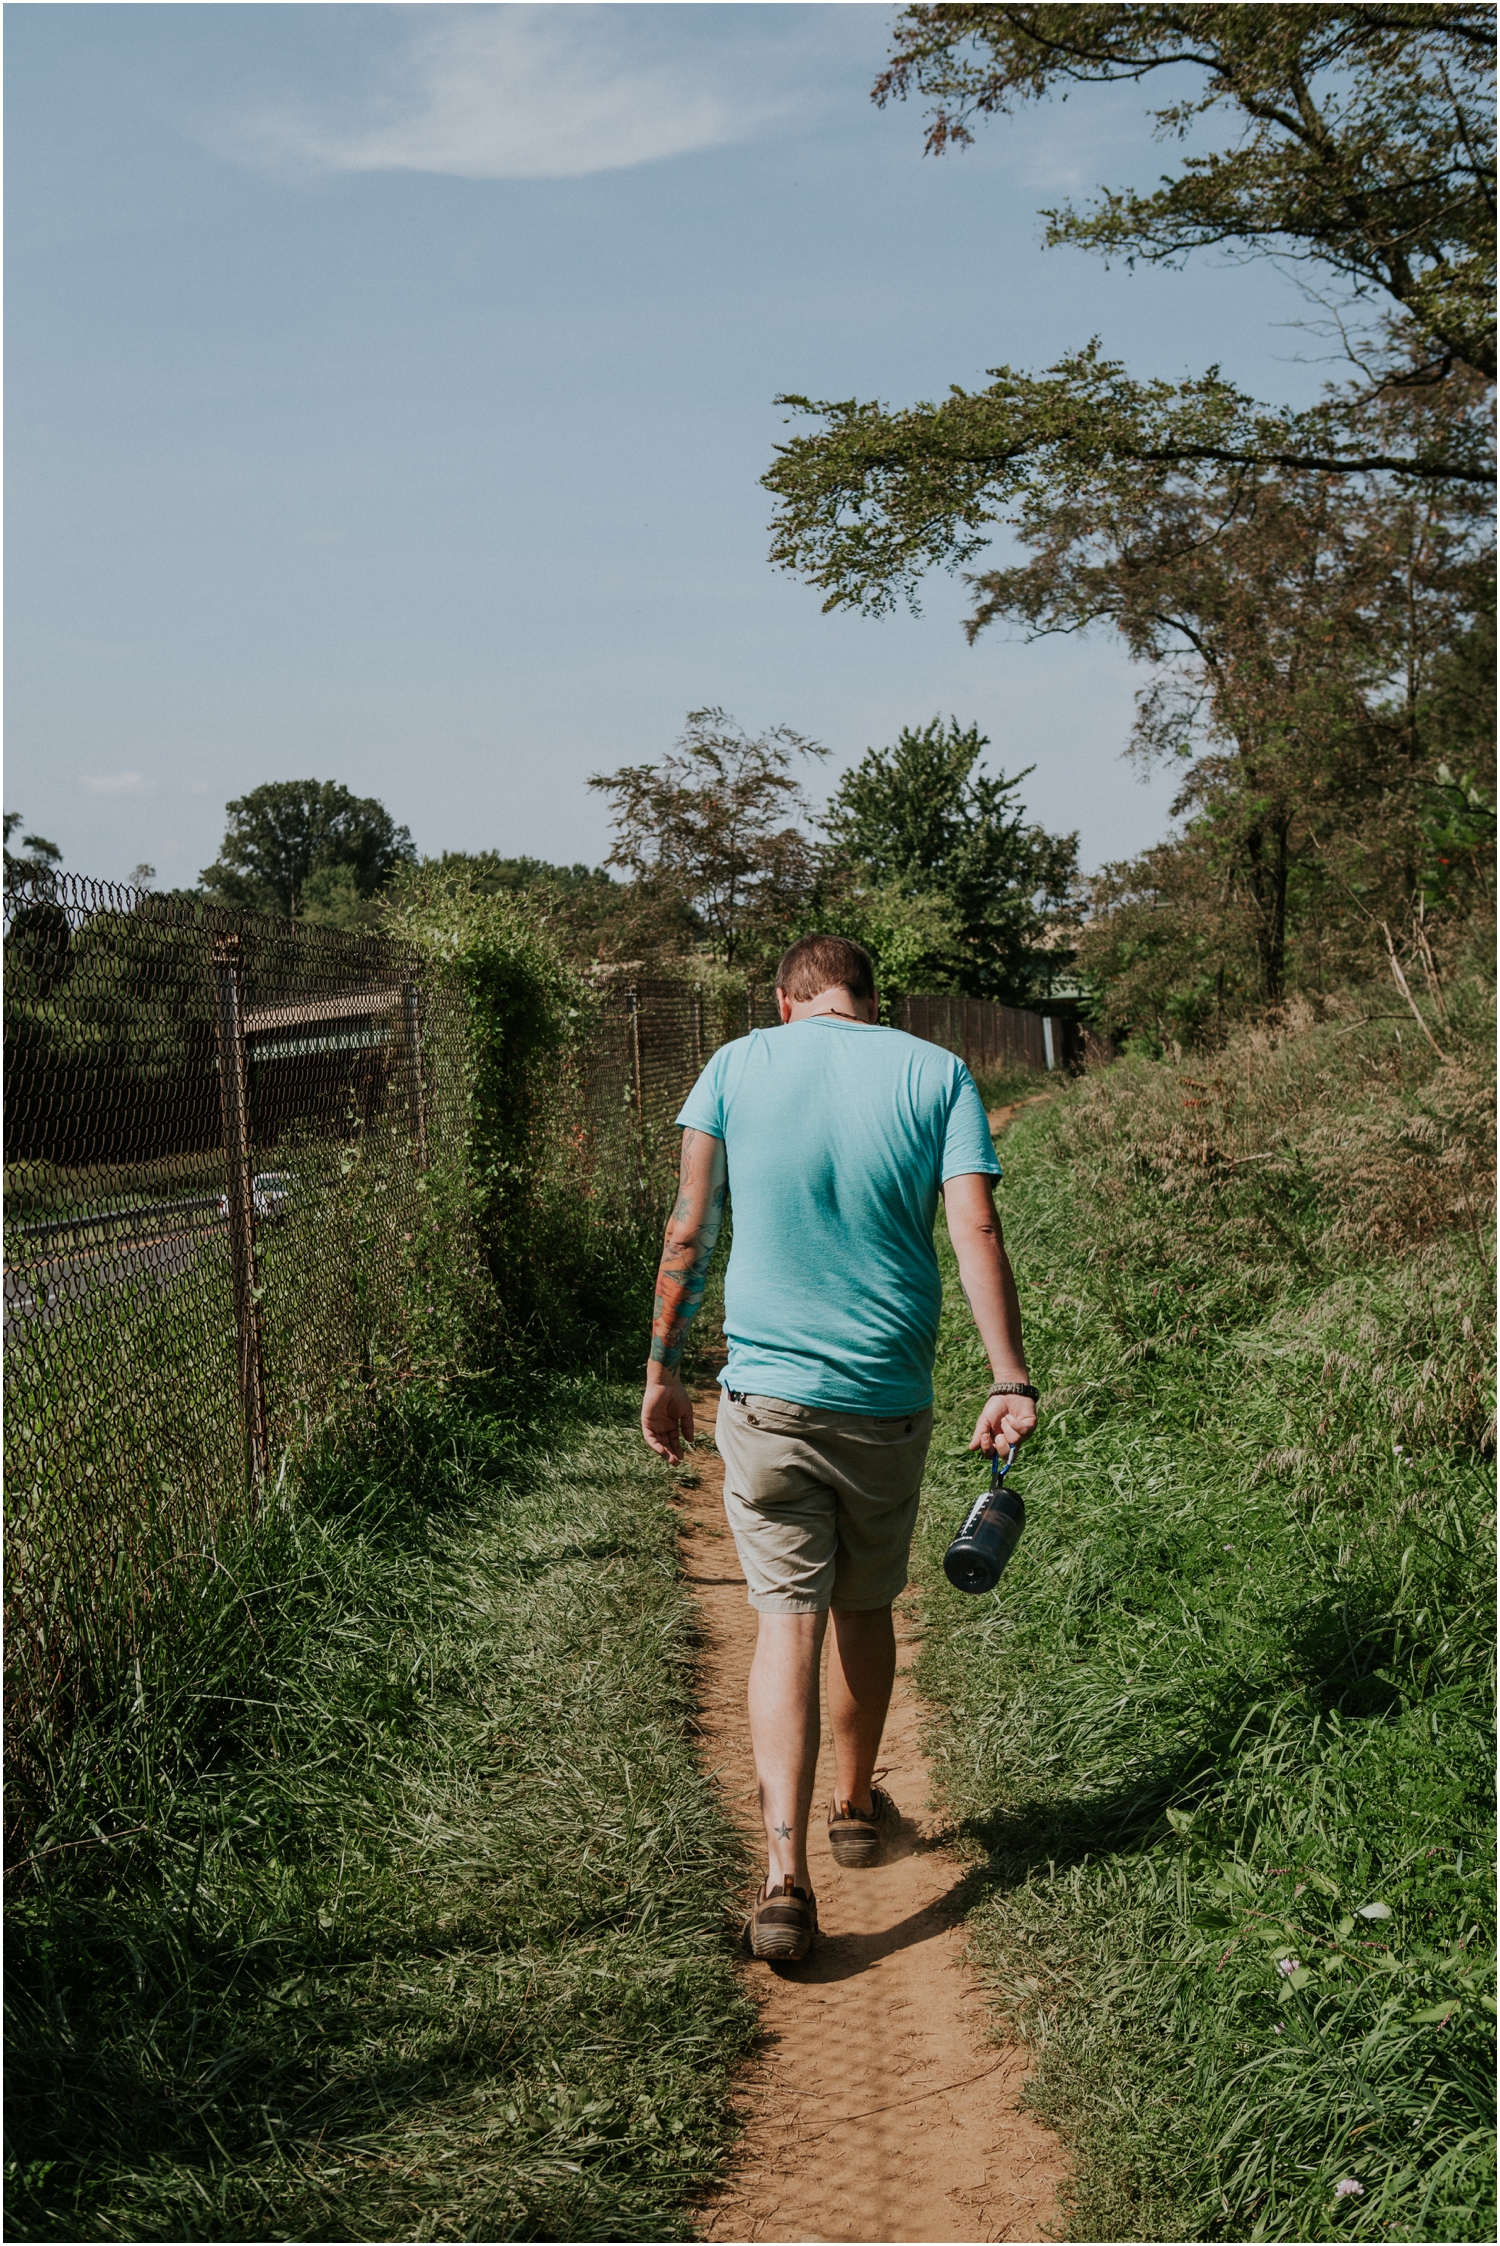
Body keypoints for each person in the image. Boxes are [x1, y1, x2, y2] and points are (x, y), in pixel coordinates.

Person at [640, 934, 1037, 1963]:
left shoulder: (733, 1064)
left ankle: (782, 1878)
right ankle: (856, 1808)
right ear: (870, 1000)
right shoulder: (937, 1071)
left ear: (787, 1001)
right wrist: (1009, 1377)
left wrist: (663, 1368)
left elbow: (690, 1226)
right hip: (884, 1400)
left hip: (765, 1401)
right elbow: (975, 1229)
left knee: (785, 1622)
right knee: (865, 1601)